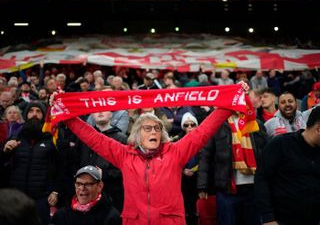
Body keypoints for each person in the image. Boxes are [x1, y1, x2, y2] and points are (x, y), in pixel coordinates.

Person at [49, 82, 250, 224]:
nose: (153, 131)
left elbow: (204, 131)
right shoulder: (124, 154)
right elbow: (92, 137)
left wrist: (232, 100)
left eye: (157, 128)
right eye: (147, 128)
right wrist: (65, 115)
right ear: (136, 134)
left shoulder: (176, 152)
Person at [197, 112, 268, 225]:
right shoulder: (217, 123)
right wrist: (202, 186)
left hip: (253, 187)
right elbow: (205, 155)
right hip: (227, 188)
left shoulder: (255, 122)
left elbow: (265, 153)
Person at [254, 106, 320, 225]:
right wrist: (268, 218)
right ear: (318, 129)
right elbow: (262, 179)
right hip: (281, 219)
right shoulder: (280, 144)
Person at [2, 101, 63, 225]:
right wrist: (5, 152)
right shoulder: (15, 137)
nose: (34, 114)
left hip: (41, 198)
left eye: (38, 111)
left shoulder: (52, 139)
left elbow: (62, 167)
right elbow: (4, 165)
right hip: (16, 197)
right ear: (25, 115)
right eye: (31, 111)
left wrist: (56, 191)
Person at [51, 165, 121, 225]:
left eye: (88, 184)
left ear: (100, 186)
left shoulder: (111, 217)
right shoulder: (61, 215)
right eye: (79, 184)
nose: (82, 188)